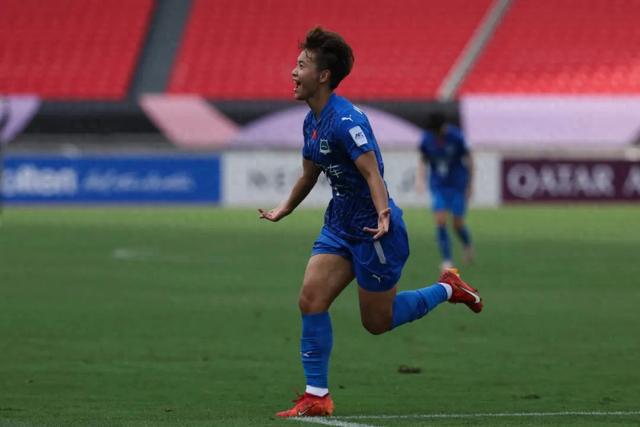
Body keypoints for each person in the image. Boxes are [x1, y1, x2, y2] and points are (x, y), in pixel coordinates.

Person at [258, 27, 483, 418]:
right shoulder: (312, 121)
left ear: (323, 75)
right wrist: (285, 208)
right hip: (339, 224)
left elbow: (371, 173)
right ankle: (317, 396)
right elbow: (309, 175)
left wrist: (382, 212)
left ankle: (448, 288)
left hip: (373, 230)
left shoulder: (346, 121)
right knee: (311, 300)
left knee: (377, 321)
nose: (293, 72)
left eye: (301, 65)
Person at [416, 112, 475, 272]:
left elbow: (469, 158)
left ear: (443, 127)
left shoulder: (456, 137)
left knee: (457, 224)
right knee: (440, 220)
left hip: (457, 184)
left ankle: (467, 244)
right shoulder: (427, 138)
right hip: (438, 185)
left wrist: (470, 184)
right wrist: (420, 179)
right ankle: (447, 260)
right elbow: (423, 158)